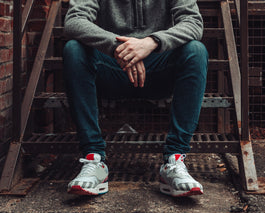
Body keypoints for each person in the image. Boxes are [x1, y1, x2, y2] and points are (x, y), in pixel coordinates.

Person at [63, 0, 209, 197]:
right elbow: (74, 20)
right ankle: (94, 158)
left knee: (196, 51)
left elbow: (193, 23)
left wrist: (150, 43)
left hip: (158, 71)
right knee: (73, 49)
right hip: (113, 68)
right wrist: (119, 48)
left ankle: (174, 160)